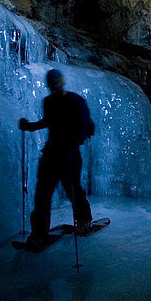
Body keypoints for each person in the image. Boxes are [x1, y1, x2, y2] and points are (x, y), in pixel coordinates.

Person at [19, 69, 95, 248]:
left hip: (69, 154)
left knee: (73, 190)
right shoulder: (49, 101)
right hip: (52, 154)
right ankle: (39, 233)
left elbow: (88, 127)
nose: (54, 88)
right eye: (52, 85)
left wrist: (76, 139)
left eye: (55, 85)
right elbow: (48, 122)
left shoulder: (75, 101)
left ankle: (84, 221)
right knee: (42, 195)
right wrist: (29, 127)